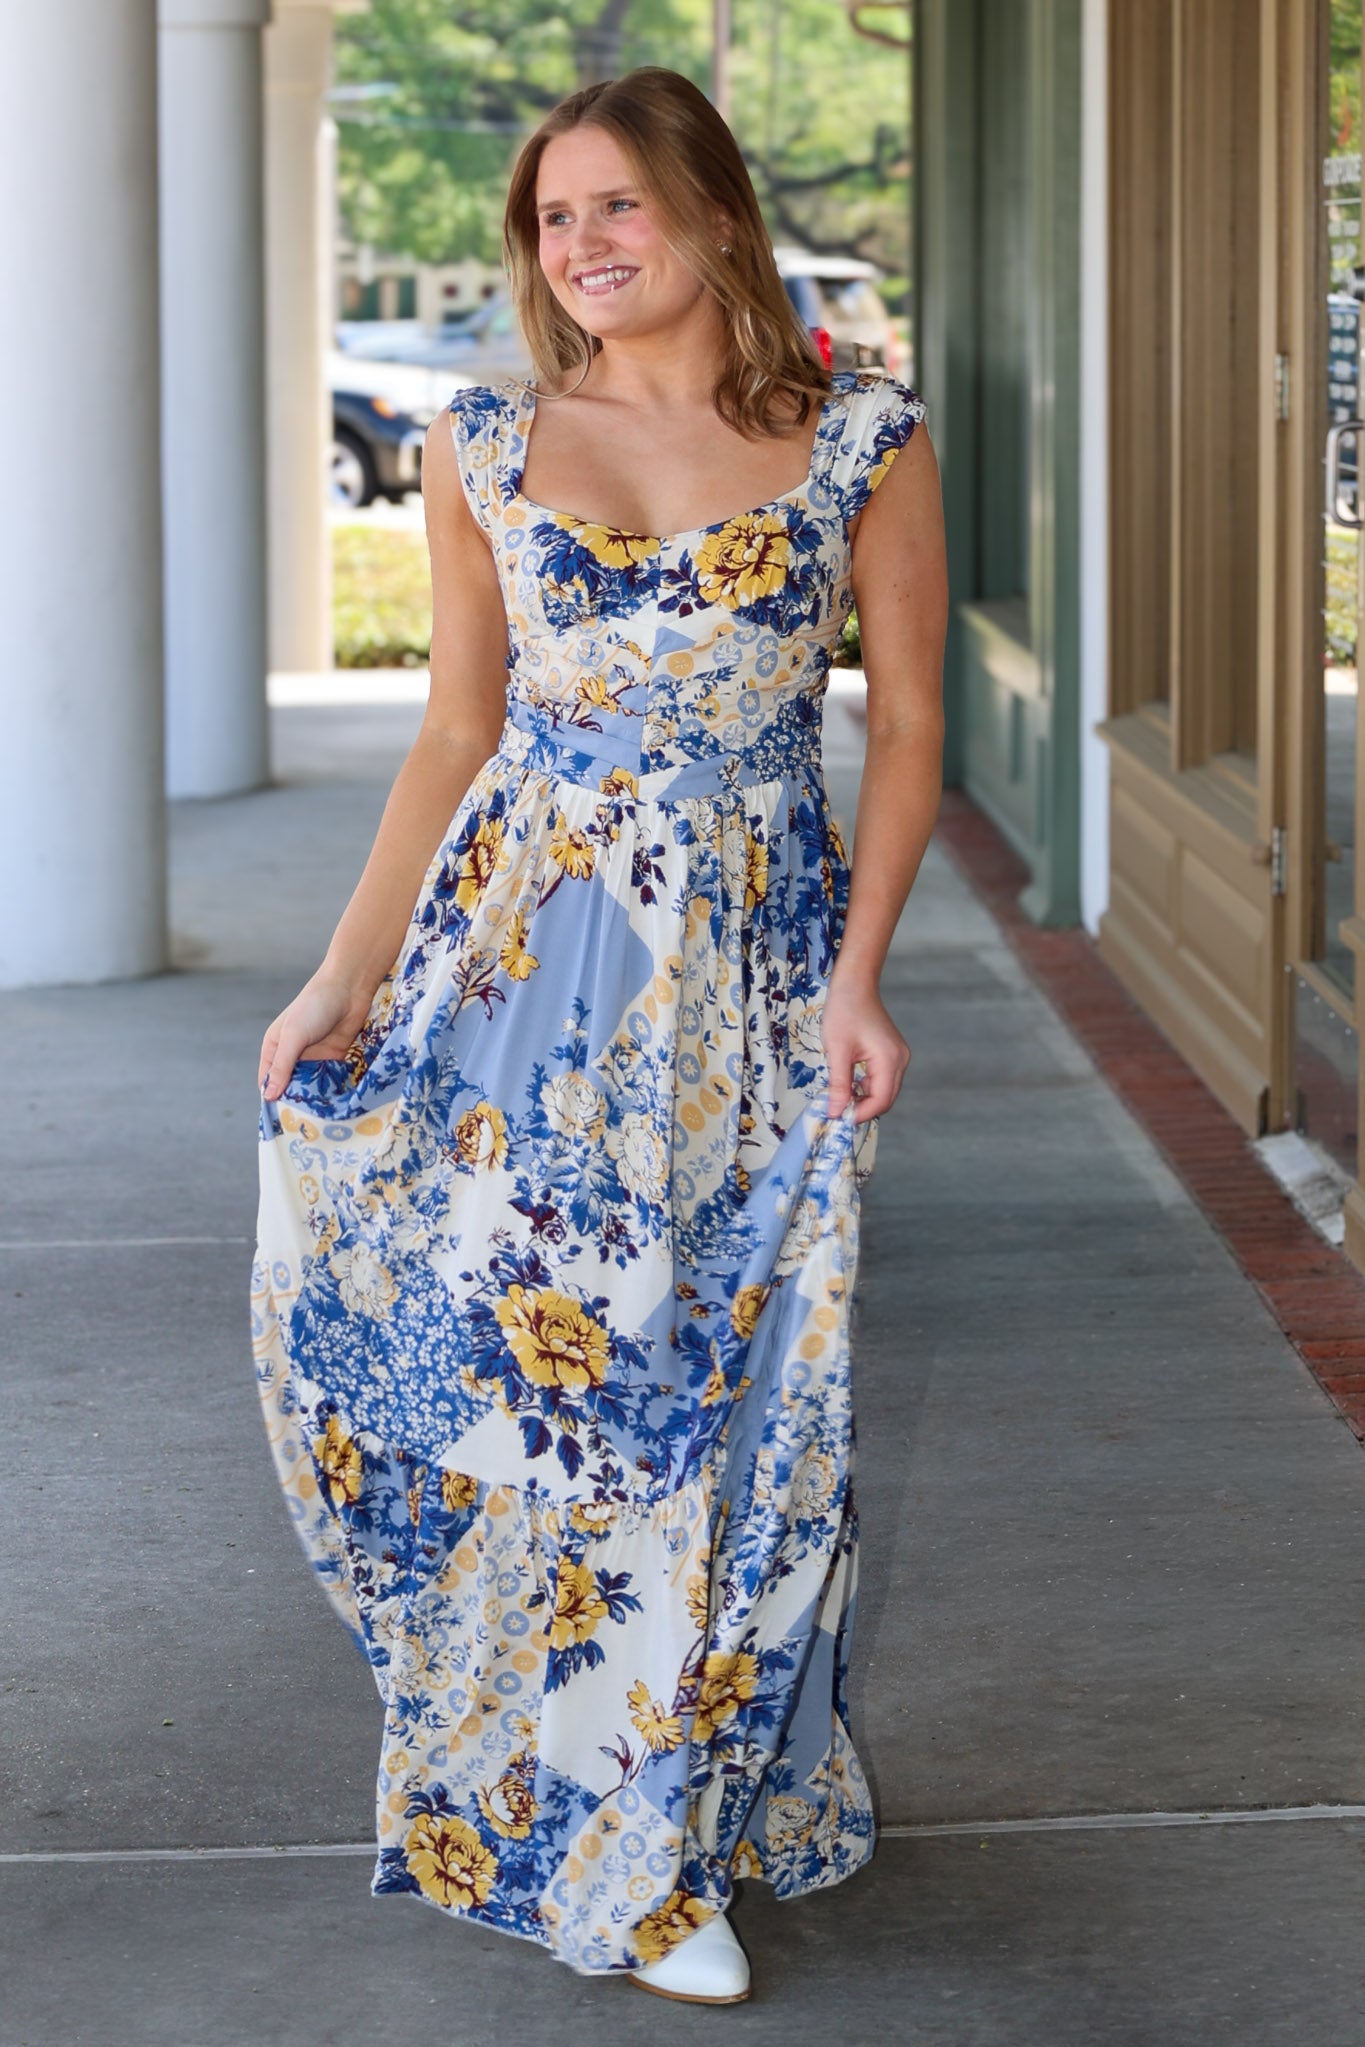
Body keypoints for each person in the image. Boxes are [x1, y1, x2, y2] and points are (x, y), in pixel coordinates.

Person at [252, 65, 946, 2007]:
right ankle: (610, 1850)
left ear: (714, 215)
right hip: (517, 998)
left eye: (616, 209)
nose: (581, 248)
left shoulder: (854, 440)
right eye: (554, 220)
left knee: (744, 1399)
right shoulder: (486, 444)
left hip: (748, 994)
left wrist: (862, 969)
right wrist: (341, 979)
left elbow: (898, 728)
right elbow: (454, 735)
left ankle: (699, 1794)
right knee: (557, 1401)